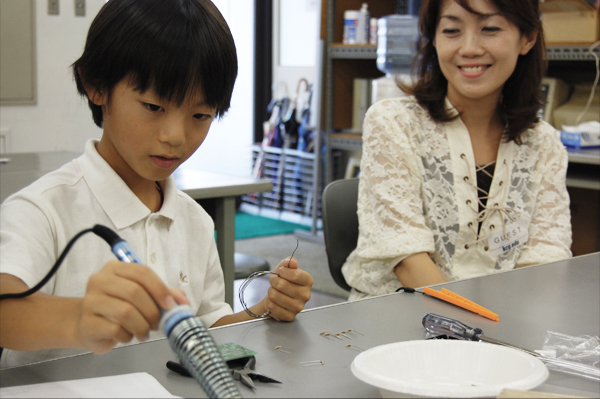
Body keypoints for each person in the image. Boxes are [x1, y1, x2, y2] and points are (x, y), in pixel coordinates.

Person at [0, 0, 313, 368]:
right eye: (153, 106)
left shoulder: (194, 222)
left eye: (200, 115)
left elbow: (208, 329)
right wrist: (79, 318)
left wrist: (264, 312)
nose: (175, 136)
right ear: (96, 85)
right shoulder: (43, 210)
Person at [342, 0, 572, 301]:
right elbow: (407, 259)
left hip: (504, 325)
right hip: (399, 320)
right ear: (434, 39)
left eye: (490, 28)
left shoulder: (544, 144)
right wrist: (480, 330)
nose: (469, 48)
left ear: (527, 38)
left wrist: (511, 333)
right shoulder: (393, 123)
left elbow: (546, 261)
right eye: (452, 30)